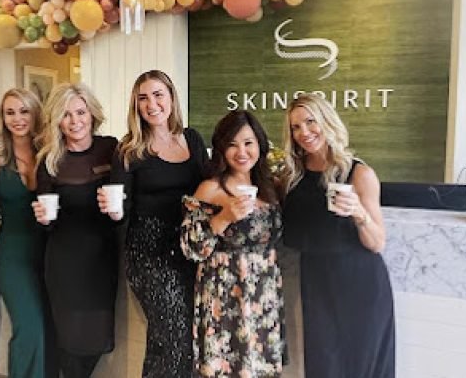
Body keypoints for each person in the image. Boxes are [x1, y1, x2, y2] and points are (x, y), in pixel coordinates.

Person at [280, 93, 395, 378]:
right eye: (296, 127)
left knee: (361, 367)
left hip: (360, 284)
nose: (304, 132)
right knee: (323, 367)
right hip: (316, 283)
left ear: (326, 121)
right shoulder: (291, 176)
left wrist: (359, 212)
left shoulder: (359, 173)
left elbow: (377, 242)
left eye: (310, 121)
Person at [111, 70, 208, 377]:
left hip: (189, 249)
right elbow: (120, 209)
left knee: (175, 337)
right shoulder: (129, 149)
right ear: (136, 105)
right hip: (148, 252)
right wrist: (112, 211)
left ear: (171, 98)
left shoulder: (192, 139)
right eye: (143, 98)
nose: (151, 104)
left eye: (158, 95)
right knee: (174, 335)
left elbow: (210, 187)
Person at [181, 110, 286, 377]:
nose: (241, 152)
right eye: (232, 144)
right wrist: (225, 217)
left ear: (260, 145)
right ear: (221, 149)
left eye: (248, 143)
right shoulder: (210, 189)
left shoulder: (272, 188)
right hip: (224, 294)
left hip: (263, 295)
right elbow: (191, 248)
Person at [31, 83, 119, 378]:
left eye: (80, 112)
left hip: (101, 262)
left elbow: (127, 197)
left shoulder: (110, 149)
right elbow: (45, 218)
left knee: (96, 341)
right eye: (66, 115)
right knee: (68, 345)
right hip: (64, 262)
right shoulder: (49, 160)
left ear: (92, 114)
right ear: (56, 120)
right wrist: (43, 219)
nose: (74, 121)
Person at [0, 88, 58, 378]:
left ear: (36, 114)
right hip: (14, 255)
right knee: (28, 328)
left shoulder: (52, 153)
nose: (17, 118)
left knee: (48, 329)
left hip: (51, 252)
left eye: (24, 111)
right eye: (10, 112)